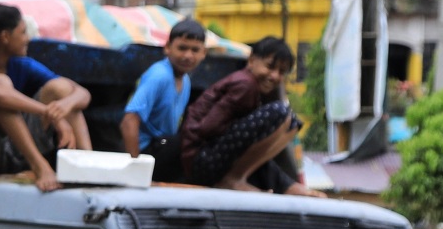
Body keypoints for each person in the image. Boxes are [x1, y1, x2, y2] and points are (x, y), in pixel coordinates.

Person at [0, 4, 94, 191]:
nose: (27, 39)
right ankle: (40, 167)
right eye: (23, 32)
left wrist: (63, 106)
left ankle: (87, 165)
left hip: (9, 152)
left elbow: (81, 93)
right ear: (5, 37)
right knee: (1, 84)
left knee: (59, 88)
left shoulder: (22, 65)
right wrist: (49, 113)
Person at [178, 36, 324, 196]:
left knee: (292, 122)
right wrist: (236, 130)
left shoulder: (253, 87)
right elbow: (207, 128)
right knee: (279, 113)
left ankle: (281, 184)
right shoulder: (245, 85)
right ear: (252, 61)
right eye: (270, 67)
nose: (274, 76)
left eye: (281, 72)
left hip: (211, 157)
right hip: (200, 160)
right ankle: (234, 179)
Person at [121, 18, 208, 183]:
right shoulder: (159, 75)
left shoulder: (186, 81)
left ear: (204, 53)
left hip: (163, 147)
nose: (188, 55)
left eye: (195, 50)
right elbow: (129, 121)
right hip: (147, 151)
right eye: (182, 48)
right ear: (167, 48)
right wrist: (137, 171)